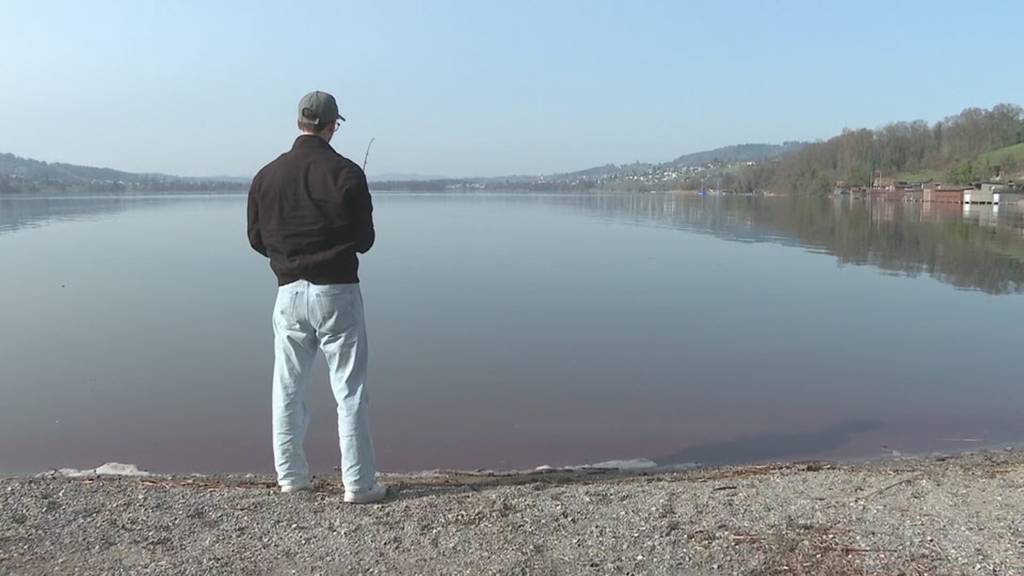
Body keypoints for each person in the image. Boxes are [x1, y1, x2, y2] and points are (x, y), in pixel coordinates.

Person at [247, 90, 386, 503]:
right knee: (349, 391)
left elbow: (257, 240)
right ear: (332, 126)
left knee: (287, 389)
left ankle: (291, 478)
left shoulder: (265, 176)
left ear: (298, 123)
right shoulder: (347, 173)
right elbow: (365, 241)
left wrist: (291, 258)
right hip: (337, 293)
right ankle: (358, 485)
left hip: (288, 292)